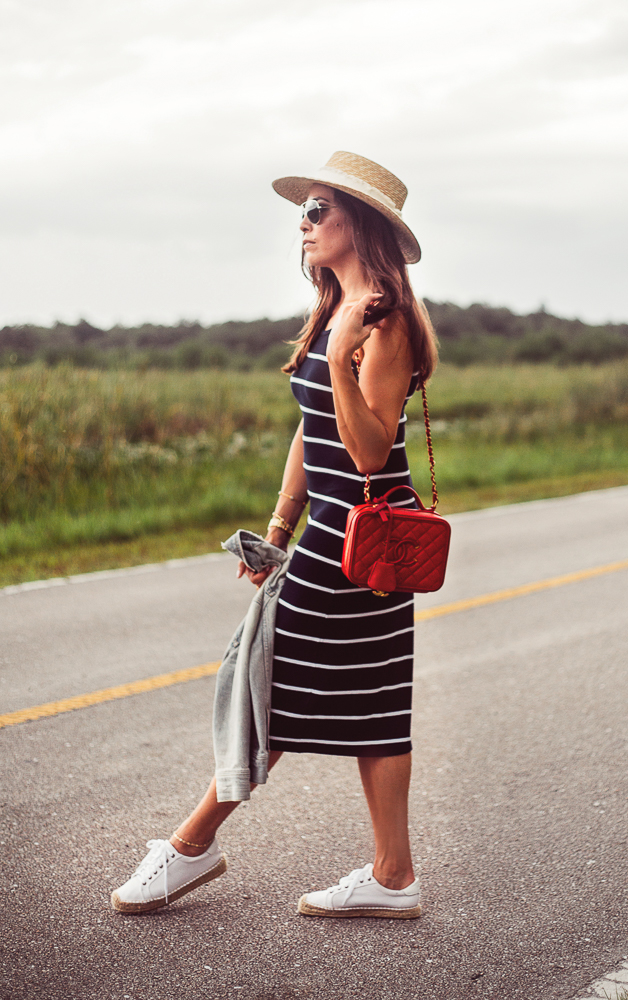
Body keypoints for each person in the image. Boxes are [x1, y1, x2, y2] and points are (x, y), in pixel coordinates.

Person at [111, 151, 438, 919]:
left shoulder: (380, 323)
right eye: (305, 209)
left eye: (320, 209)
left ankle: (190, 847)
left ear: (363, 224)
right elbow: (309, 432)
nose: (305, 221)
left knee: (276, 682)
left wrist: (335, 359)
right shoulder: (335, 310)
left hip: (367, 533)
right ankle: (394, 876)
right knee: (372, 702)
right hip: (329, 528)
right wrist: (277, 527)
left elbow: (366, 449)